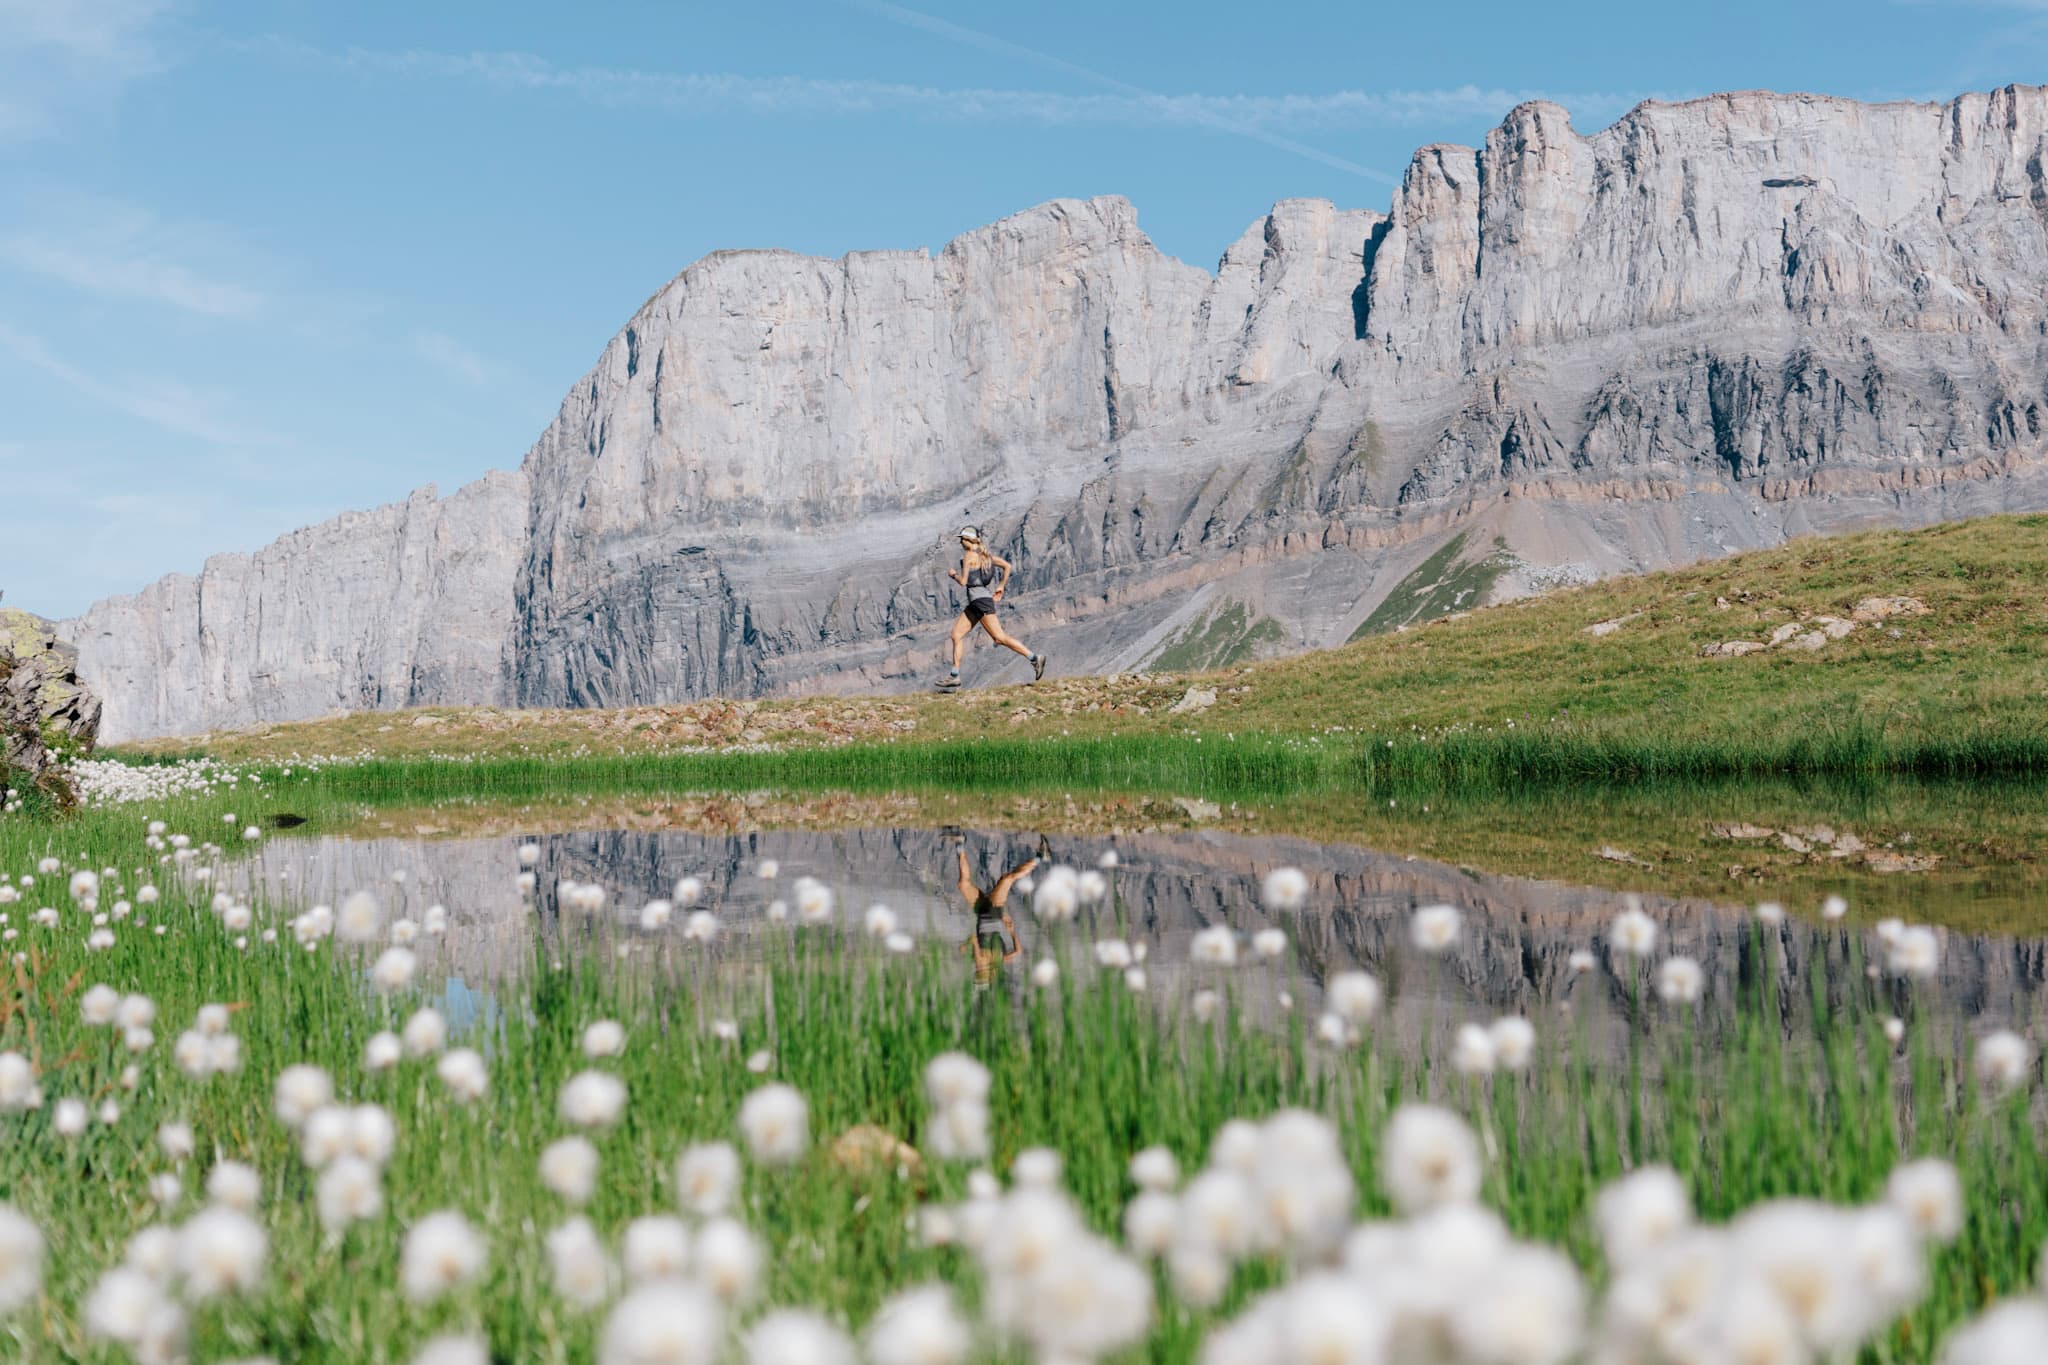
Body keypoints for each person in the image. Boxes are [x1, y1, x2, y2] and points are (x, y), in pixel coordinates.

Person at [937, 526, 1045, 689]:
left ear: (969, 540)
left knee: (999, 637)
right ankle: (955, 676)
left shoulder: (969, 556)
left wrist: (953, 575)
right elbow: (1007, 566)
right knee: (956, 634)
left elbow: (963, 582)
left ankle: (1034, 658)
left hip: (980, 601)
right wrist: (1001, 586)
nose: (960, 542)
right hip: (977, 602)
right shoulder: (986, 556)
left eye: (962, 539)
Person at [957, 844, 1038, 987]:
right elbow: (974, 939)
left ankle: (960, 844)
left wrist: (1012, 931)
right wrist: (968, 946)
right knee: (1007, 879)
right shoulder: (981, 961)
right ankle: (1040, 858)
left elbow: (1018, 952)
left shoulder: (999, 961)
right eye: (979, 974)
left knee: (965, 884)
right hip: (989, 912)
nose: (977, 970)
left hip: (986, 913)